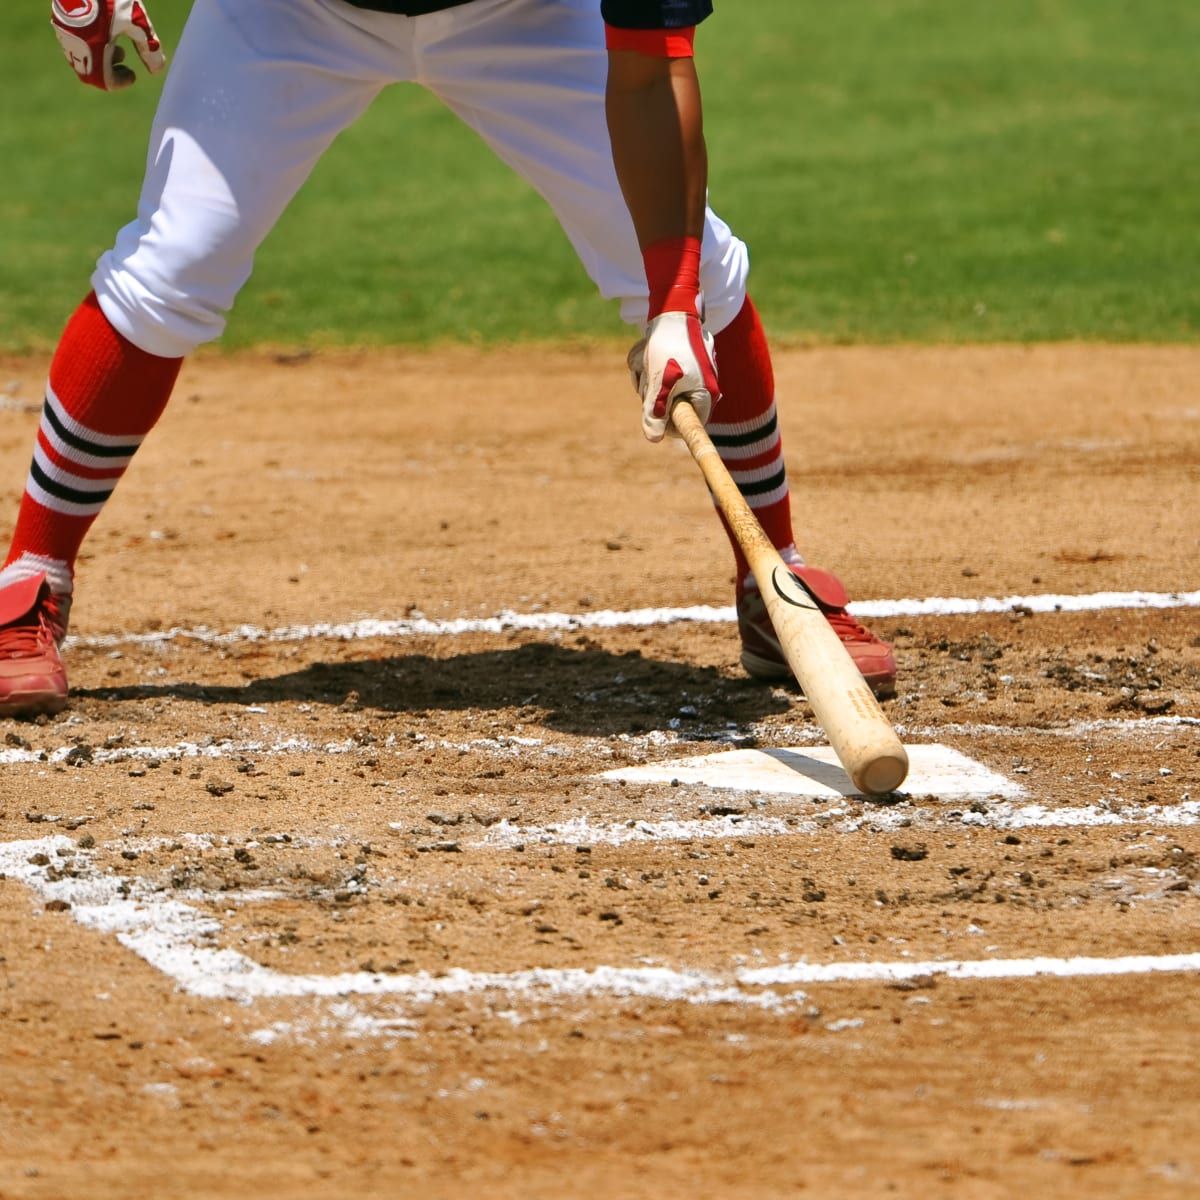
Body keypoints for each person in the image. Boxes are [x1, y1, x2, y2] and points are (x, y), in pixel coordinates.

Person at [0, 0, 895, 717]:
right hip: (290, 12)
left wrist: (671, 302)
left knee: (706, 280)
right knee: (172, 264)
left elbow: (652, 67)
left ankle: (773, 577)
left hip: (527, 12)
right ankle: (31, 576)